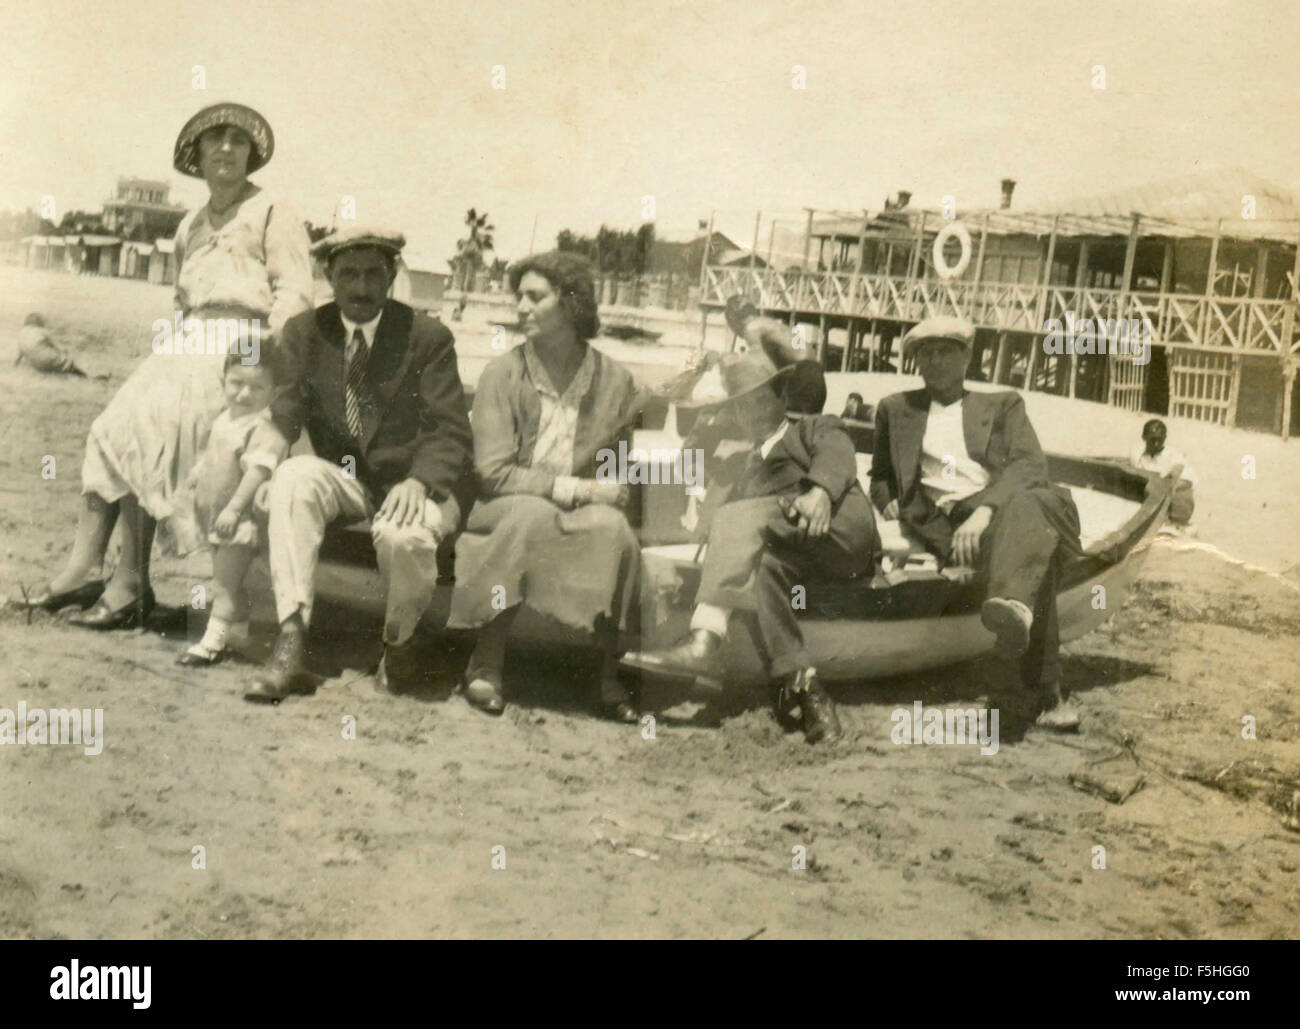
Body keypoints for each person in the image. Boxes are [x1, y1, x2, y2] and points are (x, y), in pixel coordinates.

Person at [15, 102, 312, 626]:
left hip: (243, 346)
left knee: (149, 432)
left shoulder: (272, 211)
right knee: (110, 428)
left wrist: (265, 370)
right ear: (196, 155)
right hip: (190, 340)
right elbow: (182, 300)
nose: (225, 147)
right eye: (214, 139)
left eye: (238, 141)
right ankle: (84, 569)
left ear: (251, 155)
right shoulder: (190, 225)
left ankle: (129, 583)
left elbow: (294, 294)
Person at [246, 227, 474, 703]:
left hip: (415, 481)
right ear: (327, 276)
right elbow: (283, 416)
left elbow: (449, 429)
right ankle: (290, 639)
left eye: (374, 274)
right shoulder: (306, 333)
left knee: (404, 536)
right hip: (348, 479)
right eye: (347, 274)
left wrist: (420, 480)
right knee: (293, 478)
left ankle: (401, 643)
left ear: (392, 276)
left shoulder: (427, 338)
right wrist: (257, 476)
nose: (361, 287)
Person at [622, 348, 878, 744]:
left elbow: (838, 451)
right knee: (766, 571)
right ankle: (809, 693)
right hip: (794, 552)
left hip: (843, 533)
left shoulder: (809, 429)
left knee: (736, 517)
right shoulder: (744, 466)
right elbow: (692, 462)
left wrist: (821, 492)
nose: (749, 413)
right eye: (740, 407)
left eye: (757, 401)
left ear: (781, 398)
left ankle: (705, 638)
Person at [447, 251, 642, 722]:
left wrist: (609, 491)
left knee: (615, 530)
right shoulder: (503, 374)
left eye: (536, 297)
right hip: (502, 504)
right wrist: (579, 491)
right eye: (519, 296)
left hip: (574, 507)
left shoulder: (616, 381)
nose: (521, 307)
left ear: (571, 304)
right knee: (529, 515)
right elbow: (492, 472)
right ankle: (486, 662)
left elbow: (616, 471)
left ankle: (605, 673)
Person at [868, 316, 1083, 730]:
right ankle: (1043, 686)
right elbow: (879, 475)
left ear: (967, 356)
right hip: (943, 524)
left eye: (945, 351)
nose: (934, 361)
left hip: (1001, 508)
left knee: (1027, 510)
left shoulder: (1001, 405)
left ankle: (1016, 618)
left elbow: (1029, 465)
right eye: (924, 354)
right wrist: (888, 502)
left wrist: (985, 512)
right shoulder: (896, 410)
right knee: (1036, 548)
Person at [173, 353, 288, 666]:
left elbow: (257, 472)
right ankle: (241, 633)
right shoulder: (224, 418)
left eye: (257, 388)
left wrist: (235, 509)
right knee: (229, 580)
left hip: (240, 521)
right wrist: (199, 471)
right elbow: (213, 453)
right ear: (223, 382)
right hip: (215, 518)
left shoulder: (263, 429)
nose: (244, 394)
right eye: (236, 383)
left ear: (273, 393)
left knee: (224, 584)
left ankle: (211, 643)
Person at [724, 295, 826, 414]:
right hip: (817, 375)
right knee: (808, 425)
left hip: (801, 375)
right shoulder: (771, 324)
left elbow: (761, 364)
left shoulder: (751, 328)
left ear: (734, 320)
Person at [1130, 418, 1196, 527]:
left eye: (1160, 440)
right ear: (1144, 437)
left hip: (1170, 505)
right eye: (1152, 439)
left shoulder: (1174, 456)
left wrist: (1166, 485)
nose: (1156, 444)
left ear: (1165, 438)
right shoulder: (1136, 454)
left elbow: (1188, 482)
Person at [15, 314, 95, 377]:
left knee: (52, 367)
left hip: (35, 365)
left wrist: (15, 368)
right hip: (48, 360)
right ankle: (88, 378)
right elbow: (60, 348)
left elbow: (19, 356)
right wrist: (68, 358)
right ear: (39, 323)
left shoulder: (21, 333)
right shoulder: (42, 331)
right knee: (69, 366)